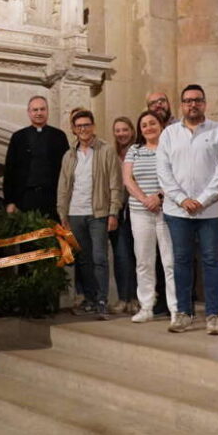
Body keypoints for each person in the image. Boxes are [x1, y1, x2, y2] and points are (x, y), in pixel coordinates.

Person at [157, 84, 218, 335]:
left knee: (212, 260)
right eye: (188, 100)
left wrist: (202, 200)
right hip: (177, 211)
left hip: (211, 211)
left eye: (197, 100)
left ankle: (213, 315)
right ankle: (183, 313)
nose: (193, 104)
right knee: (181, 260)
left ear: (204, 103)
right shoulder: (169, 134)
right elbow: (163, 172)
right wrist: (182, 199)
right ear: (182, 105)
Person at [57, 109, 123, 320]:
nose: (83, 129)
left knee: (99, 258)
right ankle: (90, 299)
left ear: (93, 126)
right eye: (79, 126)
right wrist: (63, 214)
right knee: (83, 260)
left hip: (98, 213)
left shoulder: (106, 150)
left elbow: (115, 184)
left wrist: (113, 212)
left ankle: (102, 300)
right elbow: (63, 187)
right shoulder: (69, 155)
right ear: (74, 129)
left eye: (86, 125)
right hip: (75, 213)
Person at [124, 110, 177, 324]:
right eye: (144, 125)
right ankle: (146, 307)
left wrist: (159, 197)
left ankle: (176, 309)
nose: (148, 128)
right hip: (140, 212)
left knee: (170, 261)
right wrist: (145, 199)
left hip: (167, 211)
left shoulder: (170, 147)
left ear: (161, 125)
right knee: (144, 261)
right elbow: (128, 179)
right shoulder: (134, 150)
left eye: (152, 123)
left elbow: (176, 176)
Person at [3, 96, 70, 220]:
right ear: (29, 112)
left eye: (42, 109)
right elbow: (9, 170)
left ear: (47, 111)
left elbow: (67, 170)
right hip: (25, 198)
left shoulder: (59, 136)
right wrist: (10, 201)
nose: (39, 113)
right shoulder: (18, 137)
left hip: (52, 198)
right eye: (35, 110)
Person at [109, 116, 137, 314]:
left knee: (136, 255)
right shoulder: (112, 154)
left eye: (124, 130)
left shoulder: (138, 151)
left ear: (132, 131)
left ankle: (135, 298)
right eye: (117, 130)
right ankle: (122, 298)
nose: (121, 134)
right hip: (117, 210)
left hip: (136, 208)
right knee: (120, 256)